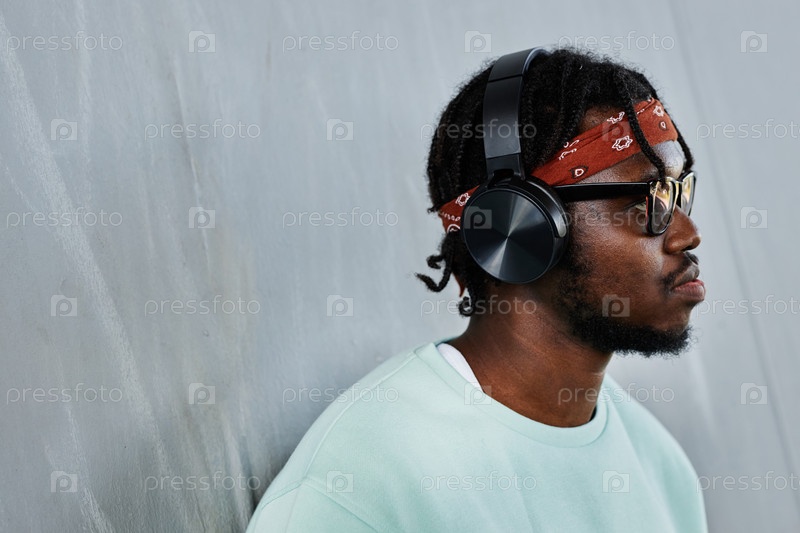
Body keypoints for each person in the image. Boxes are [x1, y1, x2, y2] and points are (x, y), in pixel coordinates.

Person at [247, 46, 708, 532]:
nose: (688, 233)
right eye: (647, 200)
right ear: (519, 225)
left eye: (678, 192)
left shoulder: (662, 470)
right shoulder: (357, 491)